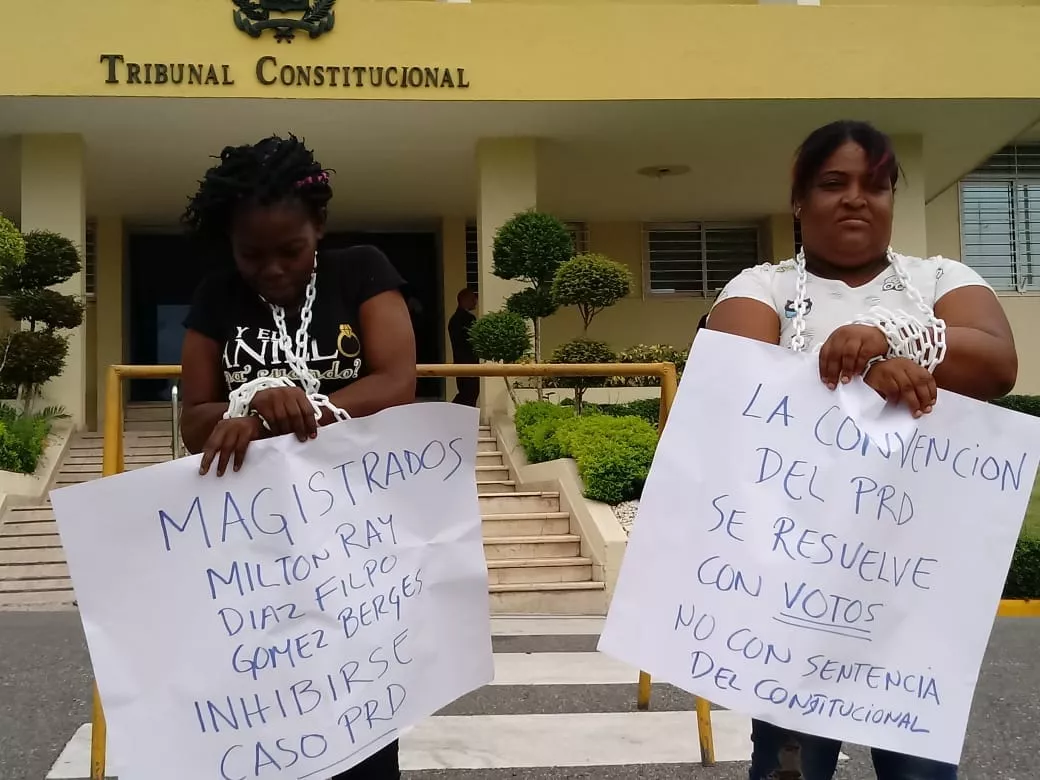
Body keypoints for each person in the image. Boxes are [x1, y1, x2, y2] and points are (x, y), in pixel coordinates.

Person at [707, 120, 1017, 780]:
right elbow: (737, 385)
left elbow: (994, 363)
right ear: (798, 200)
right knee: (790, 764)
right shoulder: (756, 289)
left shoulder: (940, 279)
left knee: (921, 772)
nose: (857, 198)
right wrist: (867, 377)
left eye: (876, 185)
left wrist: (886, 339)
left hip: (914, 597)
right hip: (794, 591)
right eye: (833, 183)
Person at [178, 134, 416, 779]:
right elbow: (194, 421)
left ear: (320, 229)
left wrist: (299, 407)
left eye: (291, 250)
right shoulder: (217, 295)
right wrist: (252, 410)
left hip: (354, 538)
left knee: (360, 711)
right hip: (253, 552)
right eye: (252, 254)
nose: (274, 268)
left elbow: (396, 382)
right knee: (266, 710)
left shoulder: (360, 270)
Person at [448, 286, 480, 406]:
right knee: (469, 393)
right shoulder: (466, 319)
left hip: (460, 362)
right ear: (464, 300)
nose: (475, 301)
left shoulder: (454, 319)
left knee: (466, 393)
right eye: (472, 298)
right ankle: (451, 414)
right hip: (469, 363)